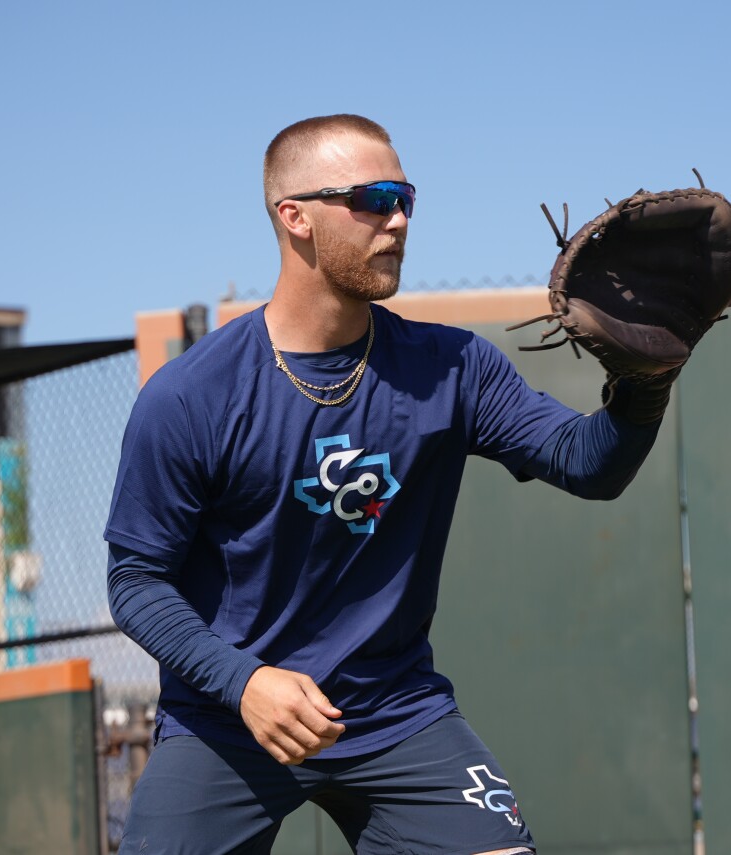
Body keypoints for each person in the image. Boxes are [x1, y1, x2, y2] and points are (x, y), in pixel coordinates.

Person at [105, 114, 664, 854]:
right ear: (294, 216)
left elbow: (588, 464)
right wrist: (245, 682)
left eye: (404, 197)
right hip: (229, 718)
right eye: (372, 198)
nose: (397, 218)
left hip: (395, 712)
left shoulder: (454, 367)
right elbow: (137, 582)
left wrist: (646, 383)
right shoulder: (191, 395)